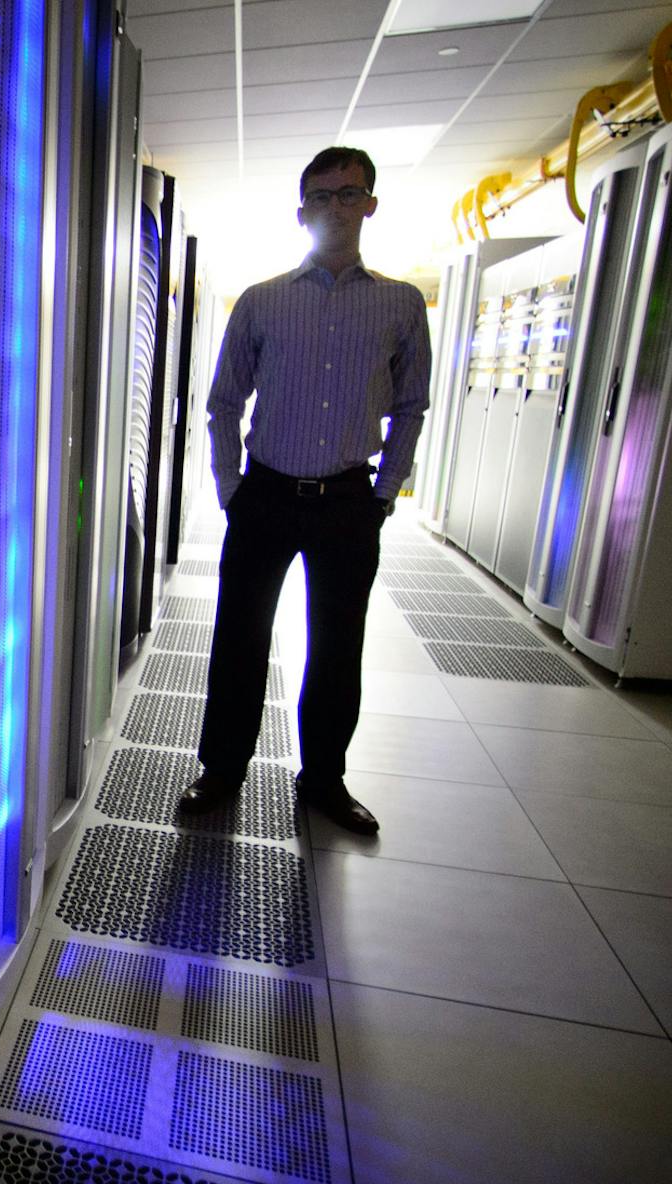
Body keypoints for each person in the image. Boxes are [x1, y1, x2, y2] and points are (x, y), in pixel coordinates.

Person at [176, 146, 430, 835]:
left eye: (348, 194)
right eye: (321, 196)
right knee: (240, 636)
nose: (334, 207)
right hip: (264, 495)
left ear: (370, 204)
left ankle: (324, 780)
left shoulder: (401, 304)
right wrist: (231, 490)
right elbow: (223, 402)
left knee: (338, 646)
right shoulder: (262, 301)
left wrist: (384, 495)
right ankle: (222, 769)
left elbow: (411, 407)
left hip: (348, 502)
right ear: (301, 211)